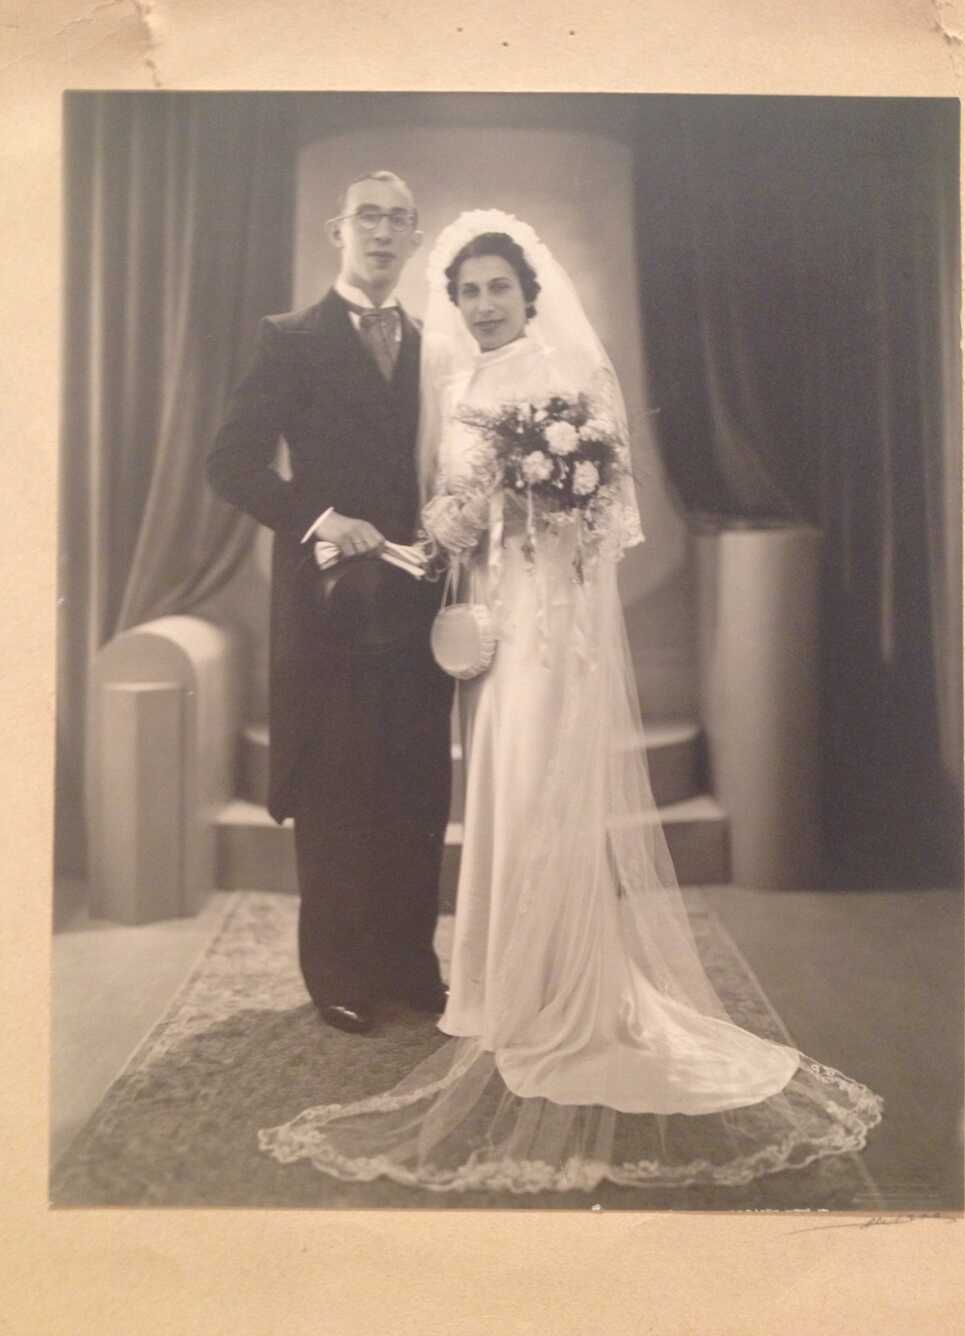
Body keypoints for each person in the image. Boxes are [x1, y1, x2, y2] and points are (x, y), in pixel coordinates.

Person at [258, 211, 882, 1193]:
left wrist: (525, 502)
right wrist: (448, 527)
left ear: (529, 293)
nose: (483, 305)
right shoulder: (459, 381)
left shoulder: (562, 374)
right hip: (483, 612)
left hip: (542, 616)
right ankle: (495, 988)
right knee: (499, 785)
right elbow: (449, 501)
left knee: (535, 778)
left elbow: (595, 516)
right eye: (468, 291)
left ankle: (552, 991)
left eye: (498, 288)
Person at [207, 171, 453, 1036]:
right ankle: (340, 975)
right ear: (336, 231)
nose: (382, 233)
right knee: (339, 785)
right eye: (367, 217)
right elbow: (230, 463)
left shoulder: (435, 345)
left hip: (418, 599)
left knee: (417, 780)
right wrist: (320, 518)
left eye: (398, 220)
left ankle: (410, 964)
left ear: (416, 238)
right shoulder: (291, 339)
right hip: (327, 606)